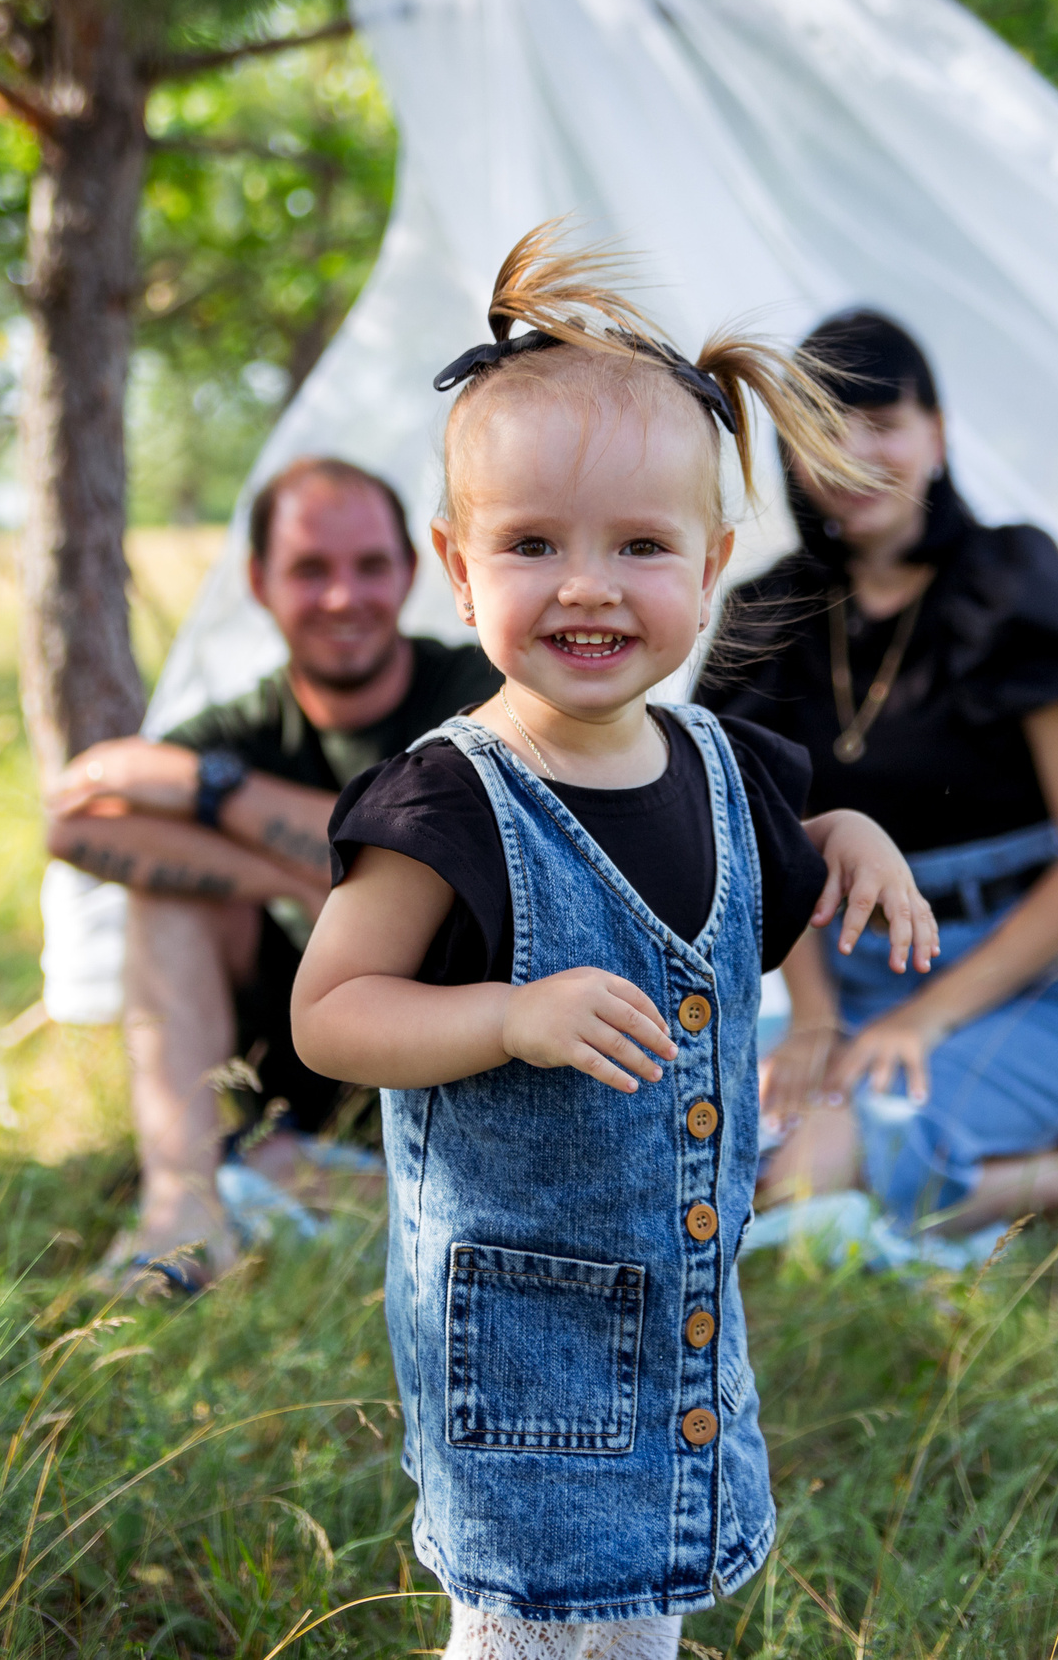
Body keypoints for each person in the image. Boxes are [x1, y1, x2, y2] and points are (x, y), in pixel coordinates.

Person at [290, 228, 936, 1659]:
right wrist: (502, 1019)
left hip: (679, 1331)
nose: (588, 586)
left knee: (634, 1613)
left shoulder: (727, 765)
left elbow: (782, 861)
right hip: (523, 1347)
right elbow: (331, 1009)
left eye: (639, 546)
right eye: (533, 545)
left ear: (708, 567)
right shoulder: (447, 799)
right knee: (526, 1626)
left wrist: (853, 842)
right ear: (459, 570)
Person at [697, 309, 1058, 1236]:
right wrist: (815, 1015)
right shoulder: (770, 615)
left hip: (1026, 985)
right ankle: (1024, 1163)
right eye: (820, 435)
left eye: (882, 424)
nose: (853, 456)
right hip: (849, 983)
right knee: (701, 1131)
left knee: (816, 1172)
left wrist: (920, 1022)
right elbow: (754, 840)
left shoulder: (1014, 587)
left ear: (937, 432)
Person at [45, 457, 500, 1286]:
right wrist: (273, 875)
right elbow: (72, 822)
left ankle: (325, 1179)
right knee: (167, 894)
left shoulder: (480, 694)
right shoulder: (248, 719)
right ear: (258, 581)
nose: (342, 597)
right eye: (309, 569)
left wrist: (218, 792)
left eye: (368, 565)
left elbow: (417, 847)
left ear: (410, 570)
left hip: (458, 1074)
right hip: (301, 1078)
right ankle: (180, 1205)